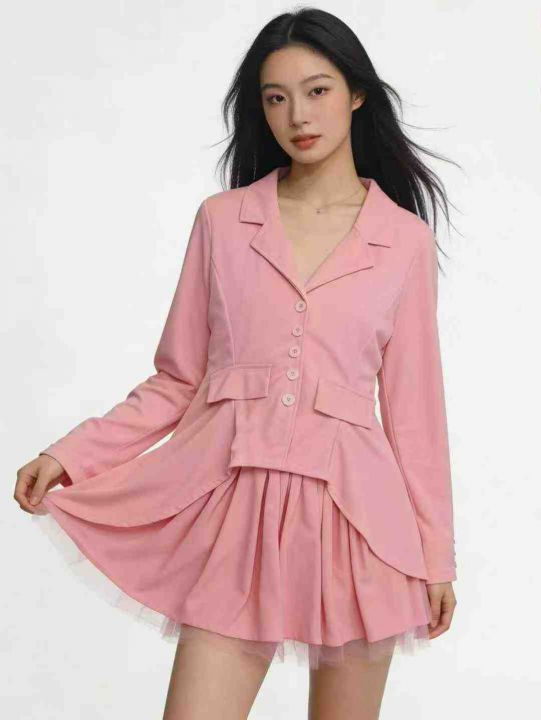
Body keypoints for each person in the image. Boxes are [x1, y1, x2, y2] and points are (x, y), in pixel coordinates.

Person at [14, 8, 458, 720]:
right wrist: (72, 454)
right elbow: (178, 379)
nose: (297, 115)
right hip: (234, 519)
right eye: (275, 97)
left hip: (359, 529)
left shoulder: (402, 241)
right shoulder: (223, 221)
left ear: (356, 94)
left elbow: (415, 416)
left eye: (317, 91)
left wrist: (435, 559)